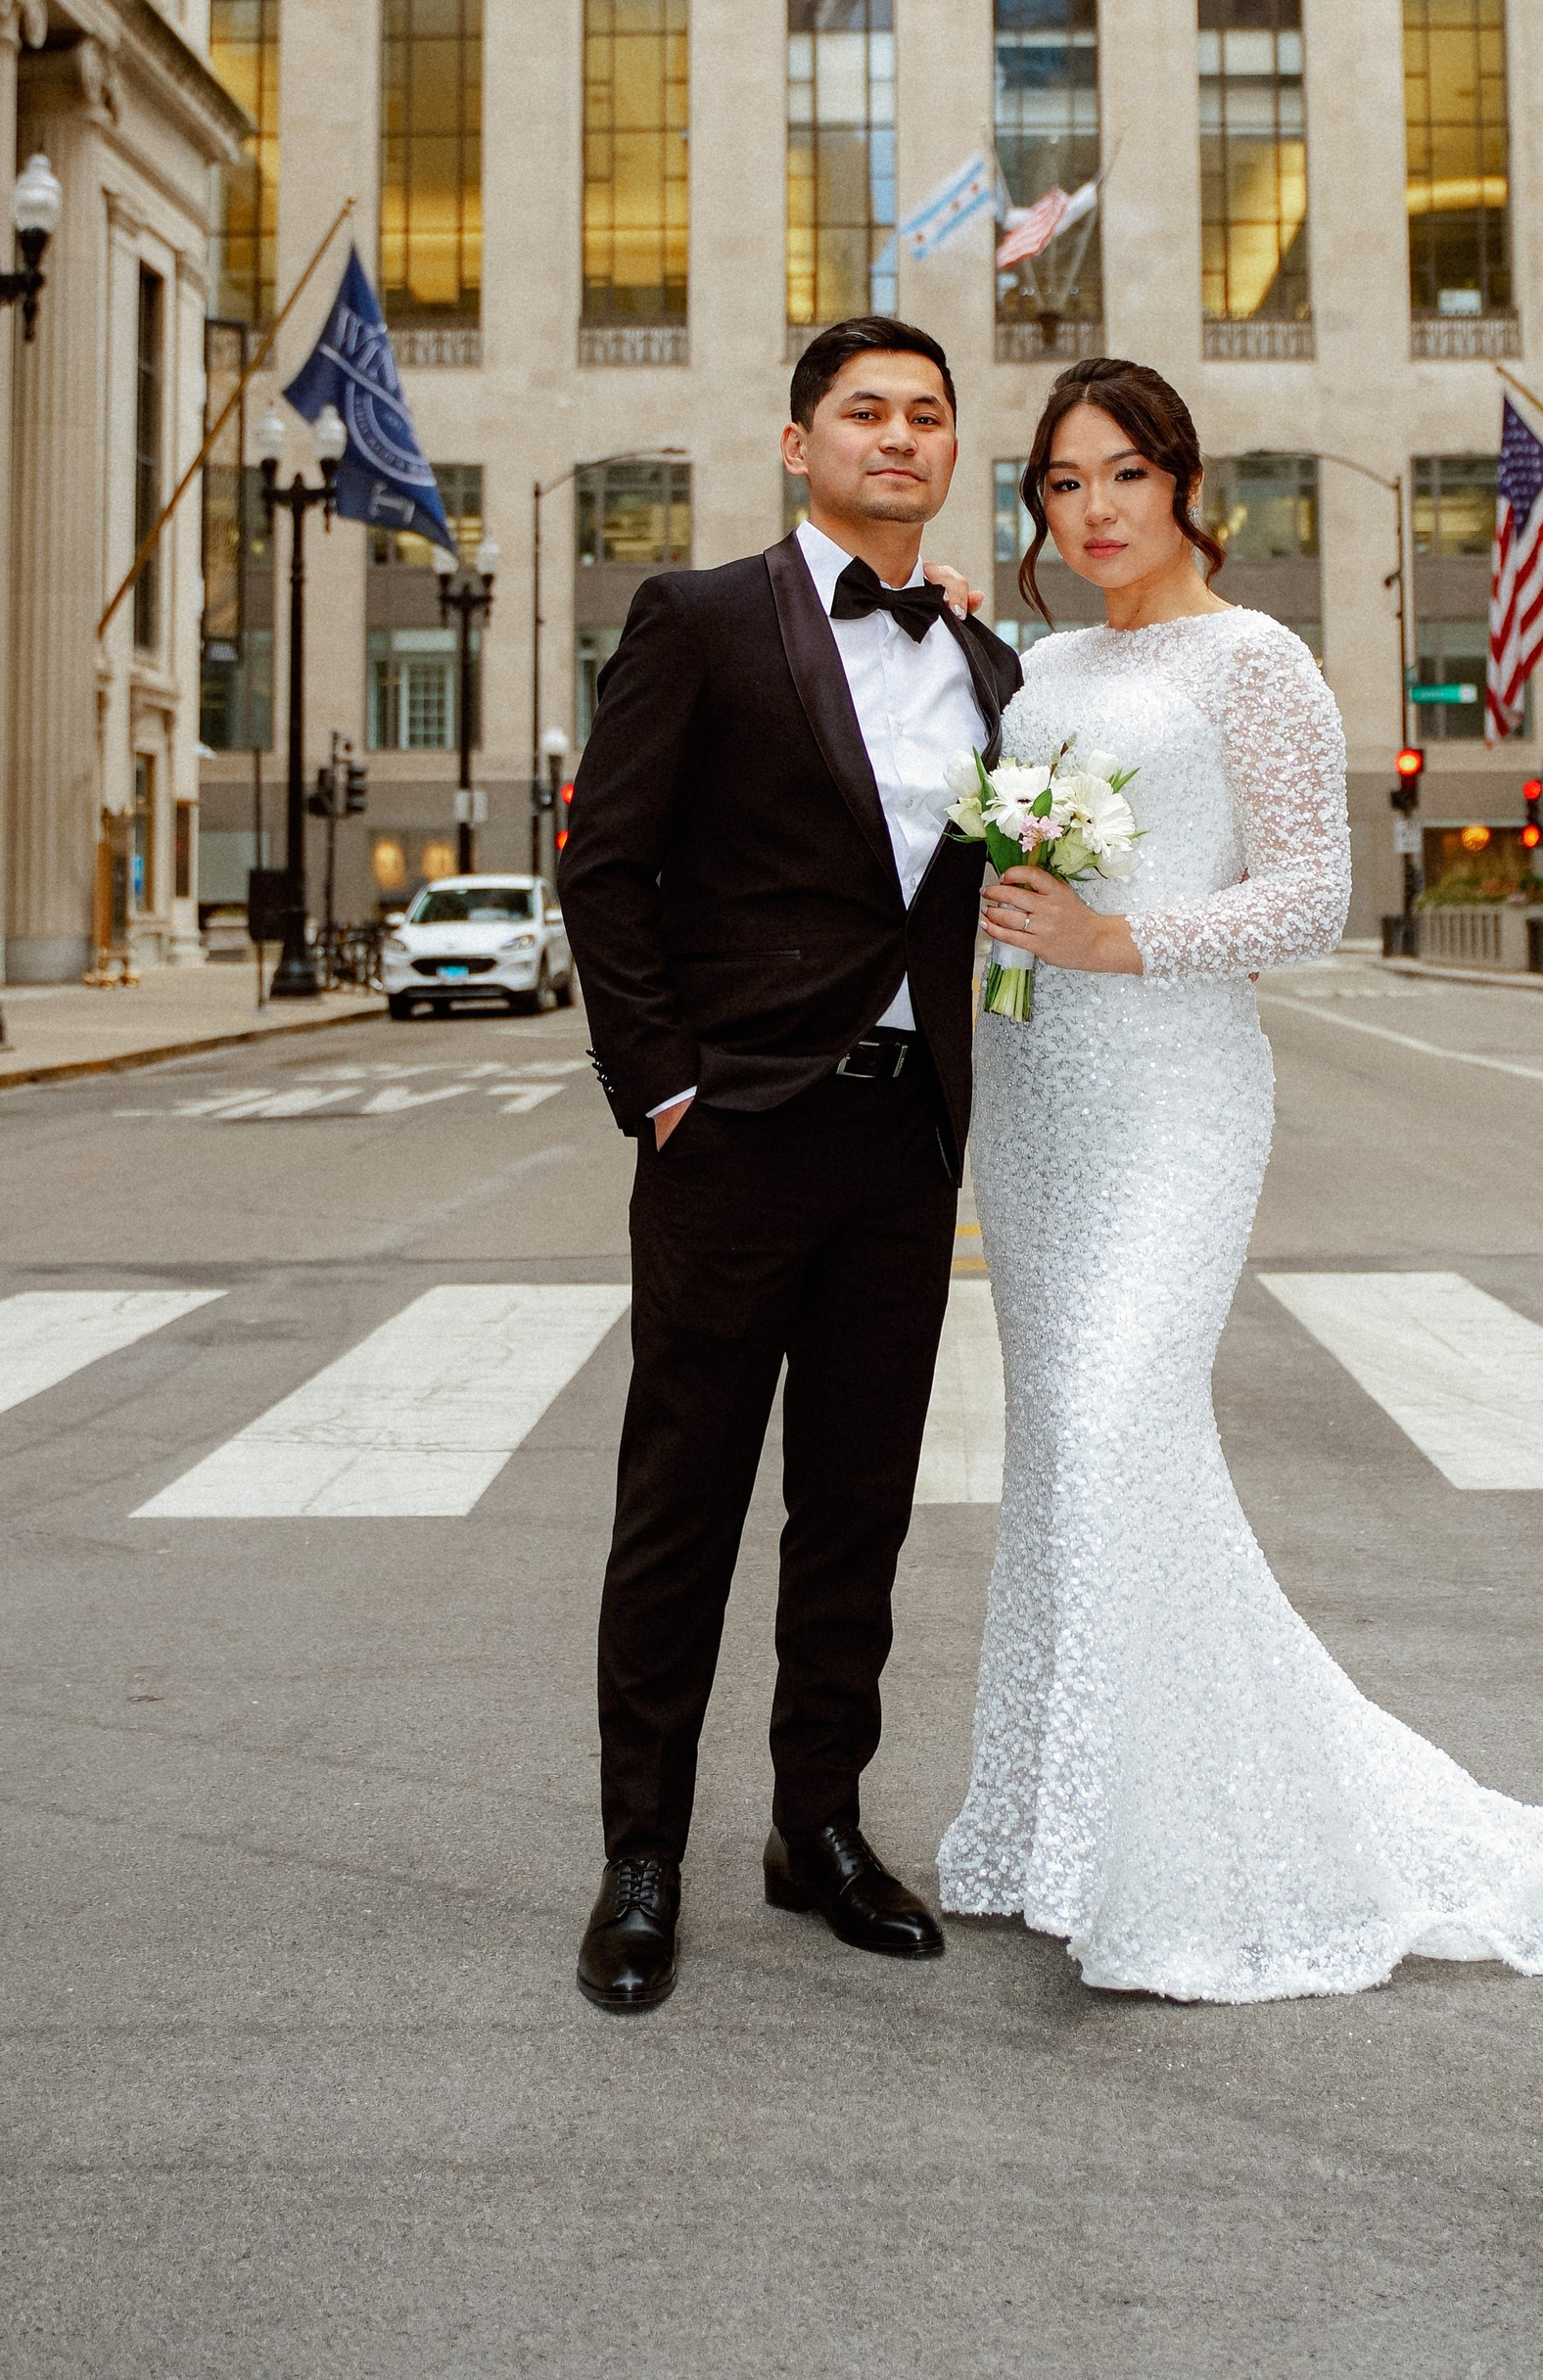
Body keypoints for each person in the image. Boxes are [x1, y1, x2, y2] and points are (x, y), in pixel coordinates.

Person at [936, 357, 1543, 2001]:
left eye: (1122, 477)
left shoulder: (1258, 659)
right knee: (1071, 1464)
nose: (1093, 513)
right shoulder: (1041, 669)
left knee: (1120, 1424)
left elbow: (1312, 900)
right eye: (1061, 488)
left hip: (1176, 1097)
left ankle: (1196, 1858)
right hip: (1037, 1101)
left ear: (1183, 480)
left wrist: (1117, 935)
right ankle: (1066, 1826)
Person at [557, 317, 1023, 2018]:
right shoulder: (697, 619)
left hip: (904, 1148)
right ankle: (640, 1860)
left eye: (925, 417)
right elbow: (605, 869)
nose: (897, 439)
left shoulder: (988, 667)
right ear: (797, 441)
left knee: (857, 1511)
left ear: (951, 451)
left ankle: (814, 1826)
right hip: (734, 1136)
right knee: (678, 1509)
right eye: (864, 413)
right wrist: (664, 1089)